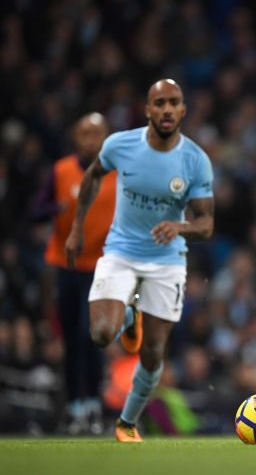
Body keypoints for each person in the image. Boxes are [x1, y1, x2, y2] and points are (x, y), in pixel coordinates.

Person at [65, 79, 214, 442]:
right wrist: (76, 228)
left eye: (173, 102)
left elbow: (206, 224)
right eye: (159, 103)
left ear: (183, 110)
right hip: (120, 252)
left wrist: (180, 227)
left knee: (152, 353)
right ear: (147, 110)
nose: (166, 109)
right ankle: (129, 316)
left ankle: (127, 423)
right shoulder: (120, 144)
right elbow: (92, 177)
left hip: (167, 262)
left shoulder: (195, 160)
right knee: (101, 335)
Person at [31, 113, 114, 434]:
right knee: (71, 339)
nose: (90, 140)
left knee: (91, 336)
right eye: (84, 134)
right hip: (65, 266)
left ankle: (93, 403)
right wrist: (56, 209)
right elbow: (36, 211)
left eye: (96, 134)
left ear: (106, 138)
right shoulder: (61, 171)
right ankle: (75, 406)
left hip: (102, 268)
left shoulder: (118, 173)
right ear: (75, 138)